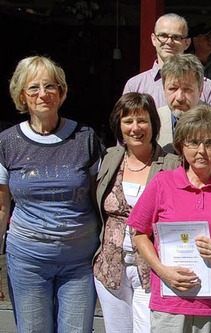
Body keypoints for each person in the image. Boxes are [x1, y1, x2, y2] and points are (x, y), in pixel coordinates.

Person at [0, 55, 104, 332]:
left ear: (61, 92)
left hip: (79, 262)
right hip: (27, 261)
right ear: (21, 94)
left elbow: (99, 199)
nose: (43, 94)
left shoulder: (85, 138)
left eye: (50, 86)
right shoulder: (7, 142)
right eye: (33, 87)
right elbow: (1, 208)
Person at [127, 105, 211, 332]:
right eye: (193, 142)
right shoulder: (162, 183)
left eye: (210, 143)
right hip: (169, 304)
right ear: (181, 145)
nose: (202, 150)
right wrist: (162, 270)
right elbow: (139, 233)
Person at [93, 92, 180, 333]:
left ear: (154, 123)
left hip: (151, 271)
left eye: (142, 120)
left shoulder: (171, 163)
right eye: (127, 121)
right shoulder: (111, 158)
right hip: (110, 268)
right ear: (118, 126)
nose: (135, 128)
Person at [123, 13, 211, 109]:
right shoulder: (135, 85)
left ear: (187, 43)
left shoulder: (206, 86)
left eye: (176, 37)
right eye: (163, 36)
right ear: (153, 39)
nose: (169, 42)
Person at [156, 53, 211, 152]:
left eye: (187, 89)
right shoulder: (152, 121)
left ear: (200, 90)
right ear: (164, 89)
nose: (179, 97)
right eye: (173, 89)